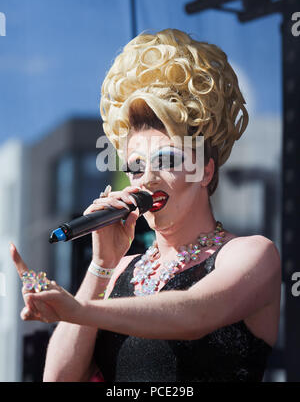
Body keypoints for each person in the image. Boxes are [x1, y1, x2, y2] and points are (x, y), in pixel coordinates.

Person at [11, 28, 281, 382]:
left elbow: (194, 315)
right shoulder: (120, 271)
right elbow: (58, 379)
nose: (147, 178)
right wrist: (101, 266)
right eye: (136, 166)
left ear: (205, 170)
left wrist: (79, 309)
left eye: (167, 161)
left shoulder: (250, 254)